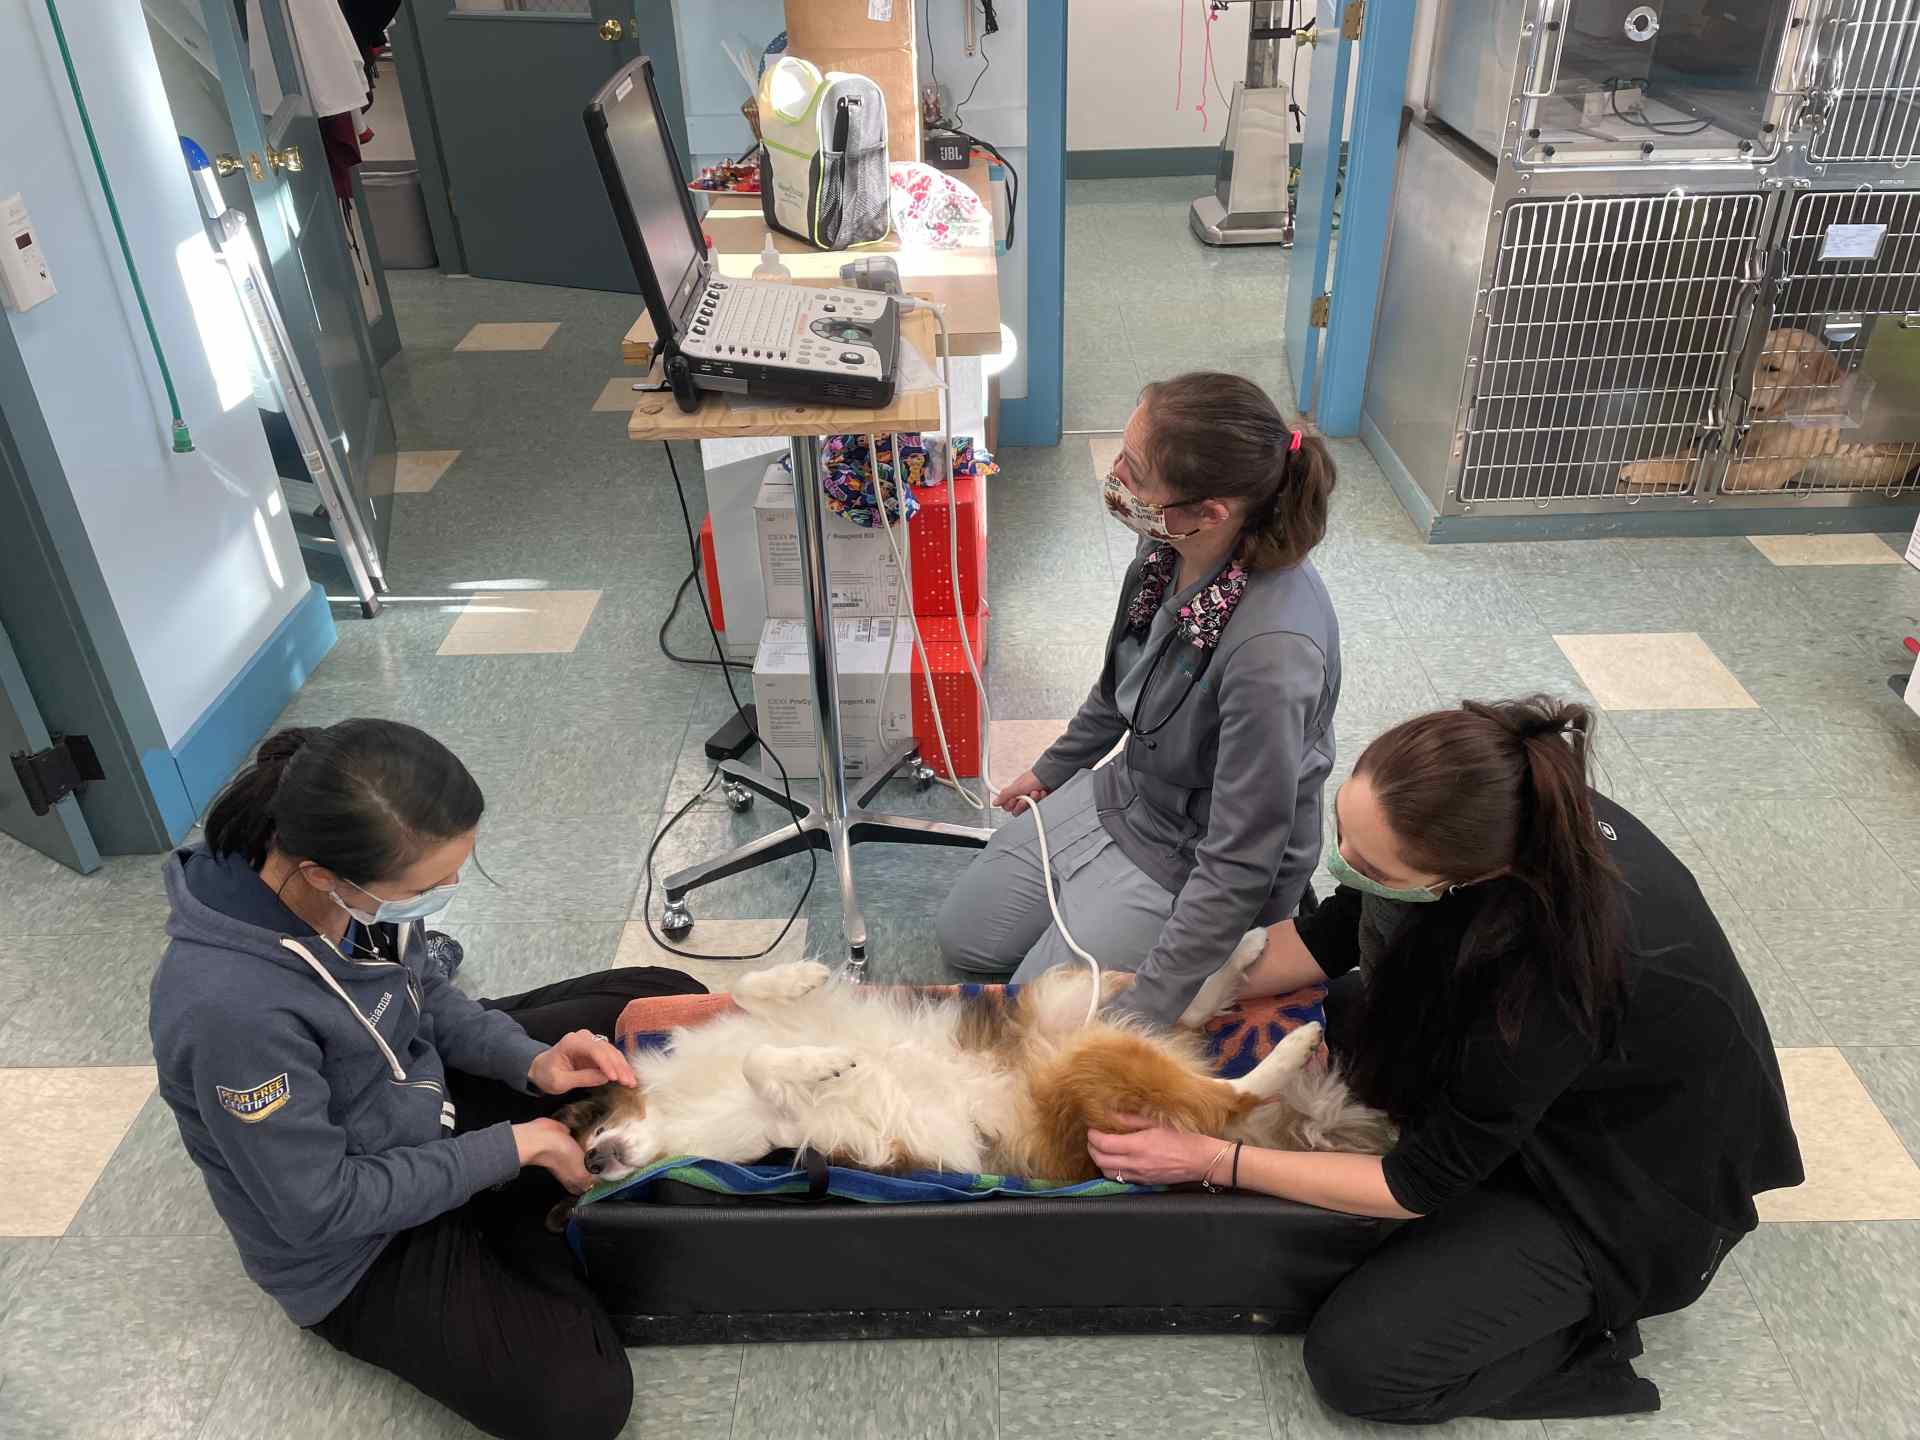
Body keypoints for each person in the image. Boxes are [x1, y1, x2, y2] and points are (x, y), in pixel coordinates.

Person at [1083, 697, 1804, 1423]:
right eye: (1344, 834)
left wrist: (1207, 1159)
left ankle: (1581, 1340)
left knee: (1363, 1364)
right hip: (1548, 1070)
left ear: (1468, 877)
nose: (1341, 863)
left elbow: (1417, 1182)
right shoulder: (1503, 804)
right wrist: (1167, 1000)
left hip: (1623, 1185)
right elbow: (1338, 930)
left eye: (1369, 864)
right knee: (1356, 1011)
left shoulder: (1548, 981)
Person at [150, 720, 704, 1440]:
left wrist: (526, 1061)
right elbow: (317, 1208)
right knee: (582, 1401)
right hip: (357, 1243)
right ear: (325, 874)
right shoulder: (229, 1012)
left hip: (419, 1101)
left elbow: (422, 995)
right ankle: (509, 1214)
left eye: (455, 870)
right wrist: (511, 1150)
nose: (448, 889)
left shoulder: (346, 884)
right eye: (428, 885)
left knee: (652, 996)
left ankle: (515, 1188)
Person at [937, 372, 1340, 1024]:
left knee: (1038, 1021)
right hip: (1131, 792)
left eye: (1135, 468)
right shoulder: (1165, 546)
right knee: (966, 936)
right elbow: (1119, 688)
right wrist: (1053, 770)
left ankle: (1180, 948)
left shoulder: (1274, 654)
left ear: (1211, 511)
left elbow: (1241, 861)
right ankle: (1093, 909)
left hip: (1197, 856)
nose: (1115, 475)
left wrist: (1154, 1006)